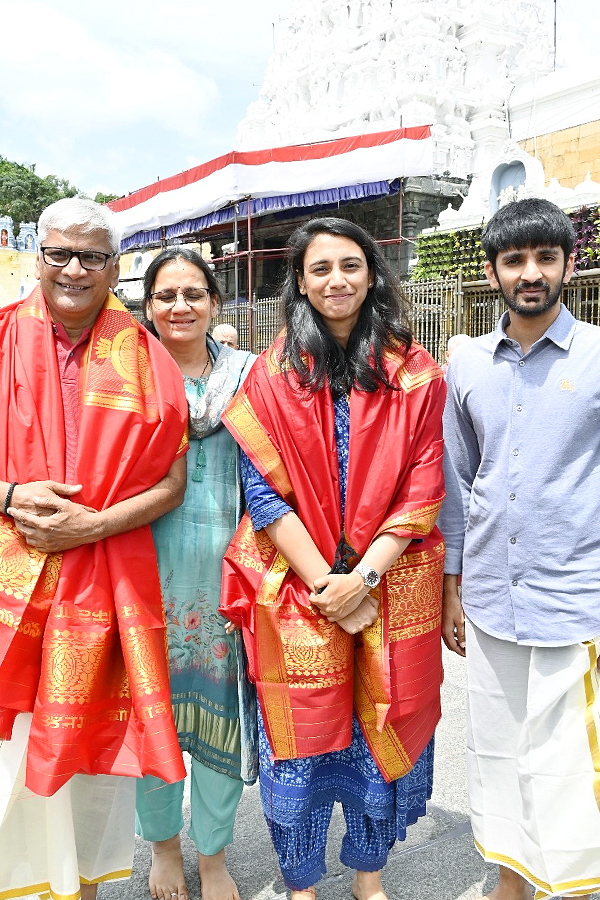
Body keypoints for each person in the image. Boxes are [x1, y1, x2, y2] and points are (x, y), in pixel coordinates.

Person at [219, 217, 446, 900]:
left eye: (350, 265)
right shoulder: (272, 373)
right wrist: (329, 585)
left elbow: (424, 484)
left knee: (379, 734)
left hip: (390, 582)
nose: (336, 280)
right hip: (300, 586)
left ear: (371, 273)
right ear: (299, 281)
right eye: (320, 269)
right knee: (303, 746)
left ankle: (368, 878)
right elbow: (261, 491)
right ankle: (301, 883)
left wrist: (363, 578)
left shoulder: (414, 372)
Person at [0, 199, 189, 900]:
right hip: (9, 595)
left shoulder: (146, 355)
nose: (74, 269)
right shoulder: (1, 340)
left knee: (87, 770)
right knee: (9, 764)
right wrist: (10, 495)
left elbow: (174, 479)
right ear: (38, 257)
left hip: (102, 598)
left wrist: (93, 526)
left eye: (91, 256)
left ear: (116, 266)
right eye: (59, 253)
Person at [439, 197, 600, 900]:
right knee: (499, 750)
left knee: (567, 763)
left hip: (578, 596)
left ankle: (567, 886)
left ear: (570, 262)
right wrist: (452, 580)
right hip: (491, 598)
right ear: (493, 270)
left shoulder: (597, 355)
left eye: (545, 257)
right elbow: (457, 476)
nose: (530, 273)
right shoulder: (467, 362)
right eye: (515, 260)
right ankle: (511, 880)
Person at [136, 248, 256, 900]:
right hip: (144, 573)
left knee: (221, 717)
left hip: (228, 579)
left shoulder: (251, 375)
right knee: (151, 716)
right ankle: (160, 847)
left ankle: (211, 854)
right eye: (165, 295)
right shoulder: (129, 374)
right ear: (148, 305)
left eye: (192, 293)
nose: (179, 306)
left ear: (213, 301)